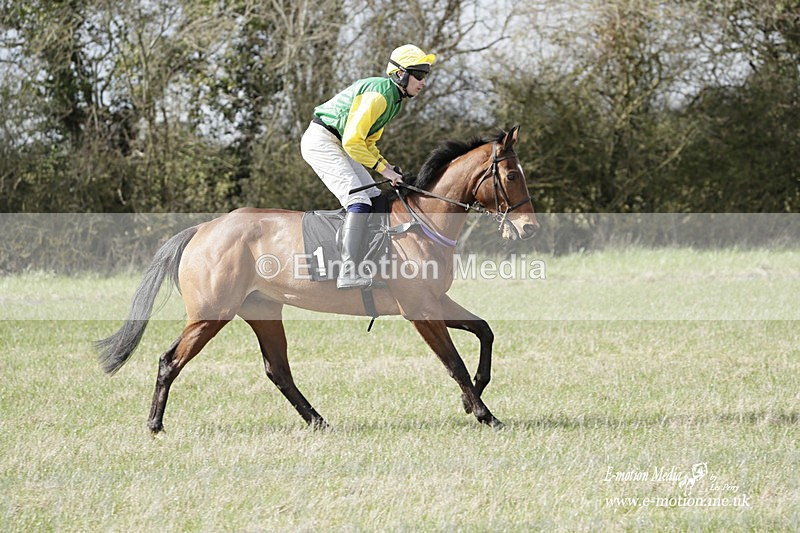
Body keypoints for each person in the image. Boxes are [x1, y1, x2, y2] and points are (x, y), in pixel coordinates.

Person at [301, 44, 435, 289]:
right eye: (419, 74)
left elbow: (368, 143)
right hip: (322, 140)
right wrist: (383, 170)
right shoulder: (380, 95)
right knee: (359, 200)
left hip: (339, 142)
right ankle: (348, 270)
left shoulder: (394, 99)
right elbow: (353, 141)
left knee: (373, 197)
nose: (423, 81)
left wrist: (387, 168)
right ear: (399, 74)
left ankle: (369, 262)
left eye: (425, 75)